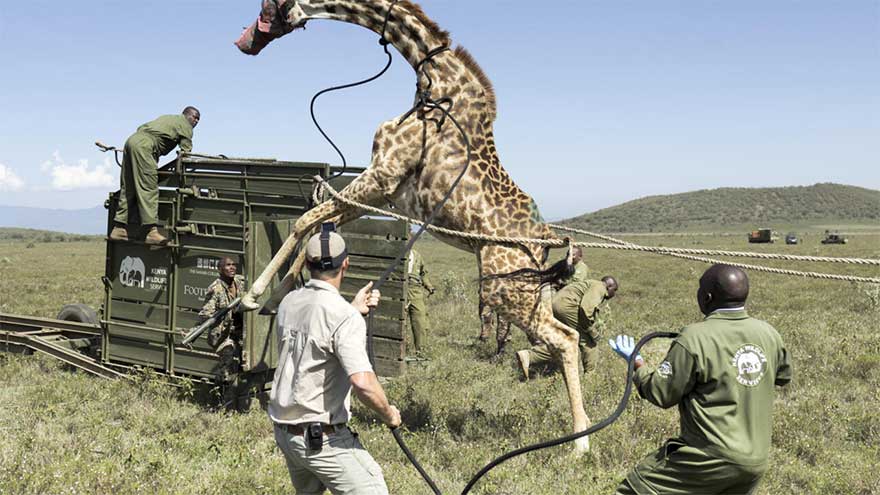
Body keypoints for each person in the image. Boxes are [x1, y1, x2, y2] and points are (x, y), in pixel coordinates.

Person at [609, 264, 792, 494]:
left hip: (709, 457)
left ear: (706, 297)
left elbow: (660, 393)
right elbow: (783, 376)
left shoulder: (694, 338)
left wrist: (637, 364)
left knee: (634, 489)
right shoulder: (769, 333)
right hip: (755, 460)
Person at [269, 227, 401, 494]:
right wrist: (390, 415)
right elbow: (362, 383)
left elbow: (315, 331)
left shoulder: (288, 302)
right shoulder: (343, 317)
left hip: (286, 434)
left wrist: (352, 310)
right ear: (346, 264)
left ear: (306, 265)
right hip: (322, 442)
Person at [110, 106, 200, 245]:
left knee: (129, 187)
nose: (196, 121)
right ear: (187, 115)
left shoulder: (168, 118)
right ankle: (151, 232)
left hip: (131, 142)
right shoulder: (185, 125)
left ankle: (119, 228)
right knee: (149, 188)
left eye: (198, 119)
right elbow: (185, 152)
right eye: (195, 117)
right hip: (144, 147)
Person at [515, 276, 618, 380]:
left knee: (564, 343)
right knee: (589, 342)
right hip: (567, 308)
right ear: (609, 286)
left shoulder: (590, 283)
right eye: (615, 290)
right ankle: (590, 378)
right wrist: (591, 331)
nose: (615, 294)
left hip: (555, 306)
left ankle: (529, 356)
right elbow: (585, 309)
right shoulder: (600, 287)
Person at [197, 256, 245, 382]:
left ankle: (238, 393)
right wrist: (222, 314)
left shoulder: (240, 281)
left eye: (233, 264)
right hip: (225, 334)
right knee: (226, 367)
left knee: (243, 363)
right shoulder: (215, 288)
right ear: (220, 269)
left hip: (240, 331)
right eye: (228, 265)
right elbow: (205, 313)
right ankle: (220, 394)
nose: (232, 267)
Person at [406, 249, 435, 355]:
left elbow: (423, 274)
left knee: (420, 321)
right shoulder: (396, 252)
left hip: (415, 290)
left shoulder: (416, 255)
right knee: (399, 321)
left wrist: (429, 286)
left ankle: (421, 352)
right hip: (399, 288)